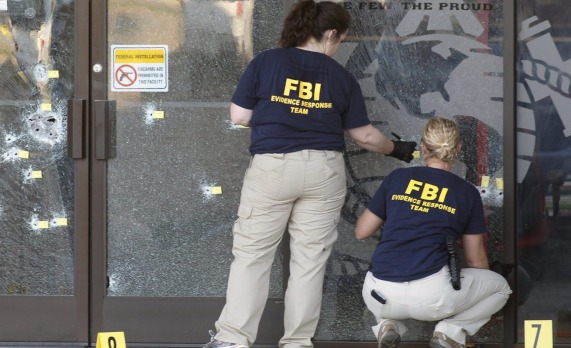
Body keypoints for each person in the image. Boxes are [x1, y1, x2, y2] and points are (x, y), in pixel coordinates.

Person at [205, 1, 417, 348]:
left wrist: (279, 115)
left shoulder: (266, 62)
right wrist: (397, 150)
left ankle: (232, 340)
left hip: (273, 167)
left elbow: (240, 116)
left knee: (252, 257)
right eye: (340, 40)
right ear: (330, 34)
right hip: (323, 170)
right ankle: (298, 342)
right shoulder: (340, 76)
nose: (337, 48)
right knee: (309, 262)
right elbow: (364, 135)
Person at [355, 117, 512, 348]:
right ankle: (449, 333)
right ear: (458, 148)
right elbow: (475, 260)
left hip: (379, 294)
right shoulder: (466, 193)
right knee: (500, 288)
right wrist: (473, 292)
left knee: (386, 278)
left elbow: (361, 232)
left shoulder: (397, 178)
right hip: (431, 298)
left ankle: (387, 325)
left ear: (423, 146)